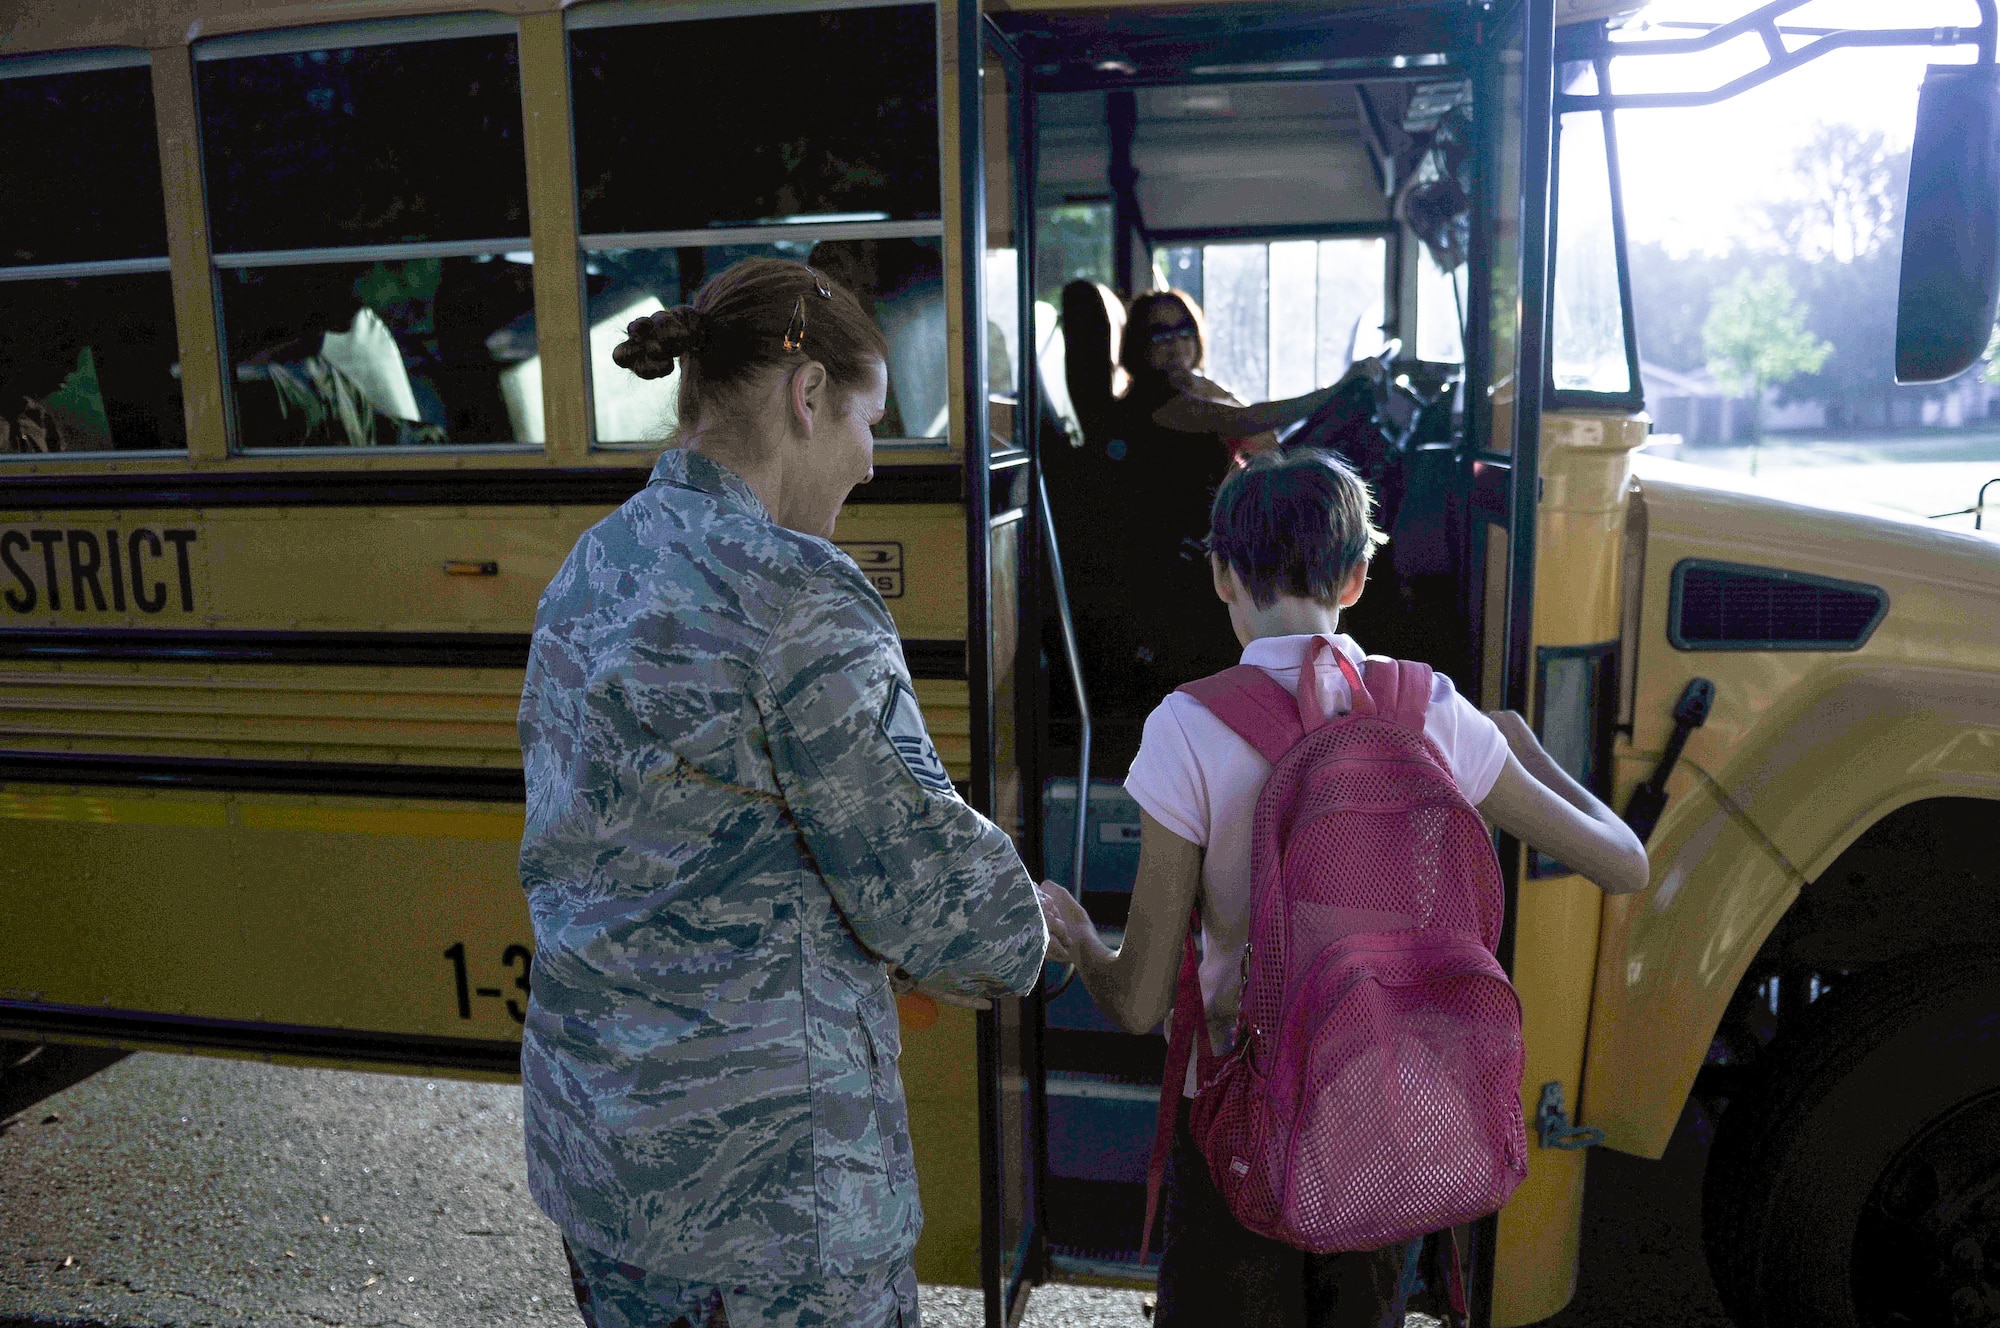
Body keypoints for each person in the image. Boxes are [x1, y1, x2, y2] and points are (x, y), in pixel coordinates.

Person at [517, 257, 1049, 1328]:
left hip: (601, 1161)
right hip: (763, 1201)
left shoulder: (594, 560)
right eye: (868, 423)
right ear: (806, 398)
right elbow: (930, 893)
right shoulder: (795, 592)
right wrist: (1029, 924)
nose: (869, 464)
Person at [1034, 448, 1649, 1328]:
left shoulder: (1189, 727)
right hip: (1388, 1111)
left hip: (1241, 1124)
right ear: (1359, 576)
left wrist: (1082, 941)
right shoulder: (1434, 710)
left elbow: (1138, 1005)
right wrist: (1522, 744)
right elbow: (1624, 862)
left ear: (1221, 575)